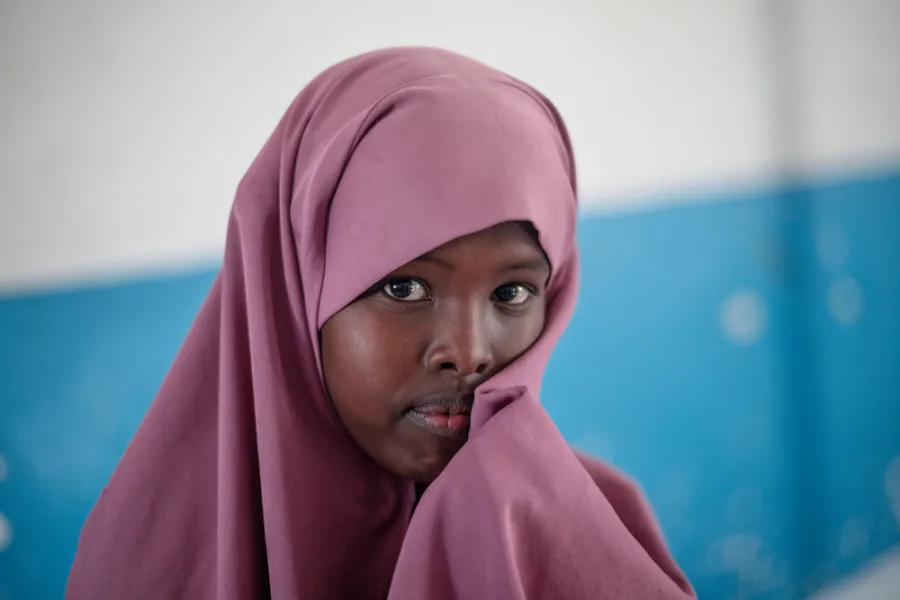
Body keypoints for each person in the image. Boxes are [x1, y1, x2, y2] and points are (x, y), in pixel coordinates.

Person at [66, 47, 695, 599]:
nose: (469, 354)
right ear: (294, 289)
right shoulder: (149, 562)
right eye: (405, 286)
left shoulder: (598, 539)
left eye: (511, 292)